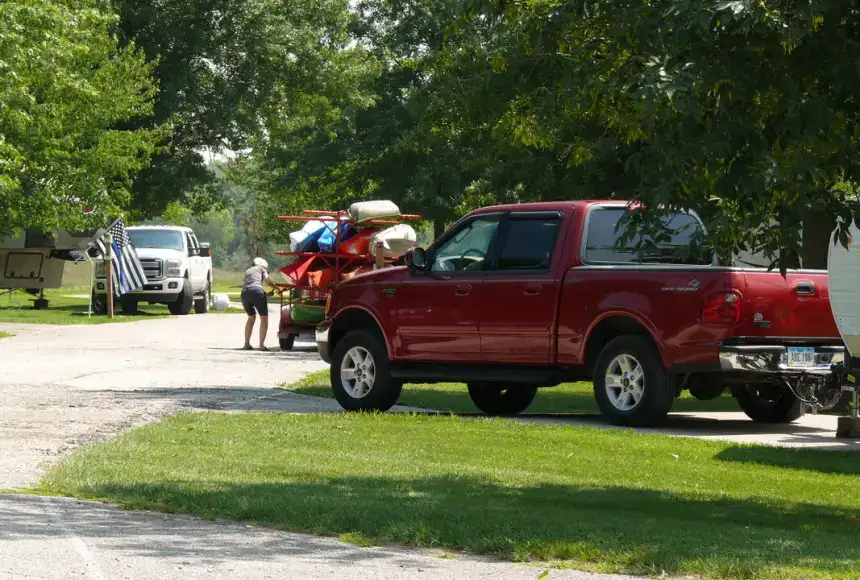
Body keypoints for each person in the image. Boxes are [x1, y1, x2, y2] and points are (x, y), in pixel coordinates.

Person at [241, 257, 276, 350]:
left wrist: (266, 295)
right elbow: (267, 281)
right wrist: (275, 287)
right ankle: (261, 345)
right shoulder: (262, 269)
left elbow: (251, 286)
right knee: (264, 319)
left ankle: (246, 344)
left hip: (244, 293)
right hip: (256, 292)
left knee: (251, 318)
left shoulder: (248, 270)